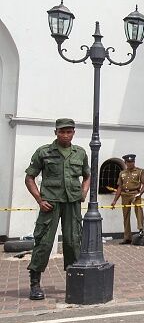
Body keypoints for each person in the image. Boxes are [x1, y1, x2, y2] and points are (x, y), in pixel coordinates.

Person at [24, 118, 90, 300]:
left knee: (73, 242)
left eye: (69, 131)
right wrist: (39, 200)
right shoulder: (44, 152)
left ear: (74, 133)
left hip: (72, 204)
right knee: (44, 242)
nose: (66, 135)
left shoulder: (80, 153)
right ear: (56, 132)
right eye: (62, 131)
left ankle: (74, 282)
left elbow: (87, 175)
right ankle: (35, 284)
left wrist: (83, 193)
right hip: (50, 204)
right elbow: (30, 177)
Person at [110, 154, 144, 244]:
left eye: (132, 162)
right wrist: (115, 200)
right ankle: (127, 237)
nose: (130, 164)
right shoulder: (122, 173)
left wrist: (140, 193)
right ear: (125, 163)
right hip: (125, 194)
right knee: (126, 215)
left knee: (138, 210)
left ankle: (140, 229)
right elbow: (119, 187)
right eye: (128, 162)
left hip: (135, 193)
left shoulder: (140, 171)